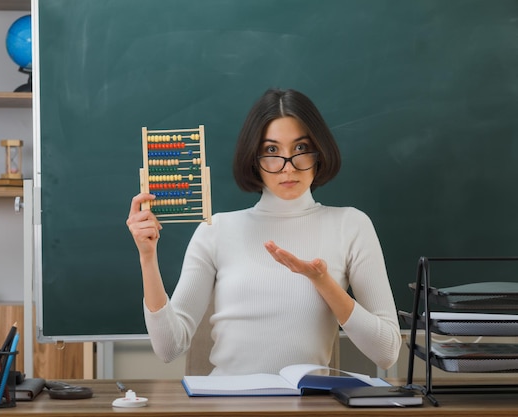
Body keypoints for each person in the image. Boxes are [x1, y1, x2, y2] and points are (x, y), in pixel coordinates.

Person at [127, 88, 401, 376]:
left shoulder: (351, 225)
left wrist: (323, 282)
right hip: (226, 405)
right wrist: (147, 258)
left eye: (300, 148)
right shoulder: (216, 230)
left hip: (308, 406)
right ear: (253, 158)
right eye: (272, 151)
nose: (288, 168)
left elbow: (386, 353)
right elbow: (169, 348)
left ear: (319, 152)